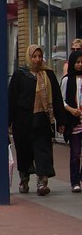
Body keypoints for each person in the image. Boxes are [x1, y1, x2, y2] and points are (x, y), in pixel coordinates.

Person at [9, 44, 65, 196]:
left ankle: (42, 183)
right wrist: (8, 122)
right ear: (29, 57)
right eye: (34, 56)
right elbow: (12, 99)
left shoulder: (48, 74)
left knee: (43, 152)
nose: (37, 60)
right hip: (23, 121)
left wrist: (61, 121)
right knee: (24, 152)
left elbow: (57, 99)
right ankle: (24, 180)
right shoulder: (20, 75)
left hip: (42, 121)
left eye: (40, 56)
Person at [60, 50, 82, 193]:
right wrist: (71, 110)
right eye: (77, 62)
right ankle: (75, 181)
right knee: (75, 153)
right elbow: (60, 100)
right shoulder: (67, 80)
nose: (80, 65)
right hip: (74, 122)